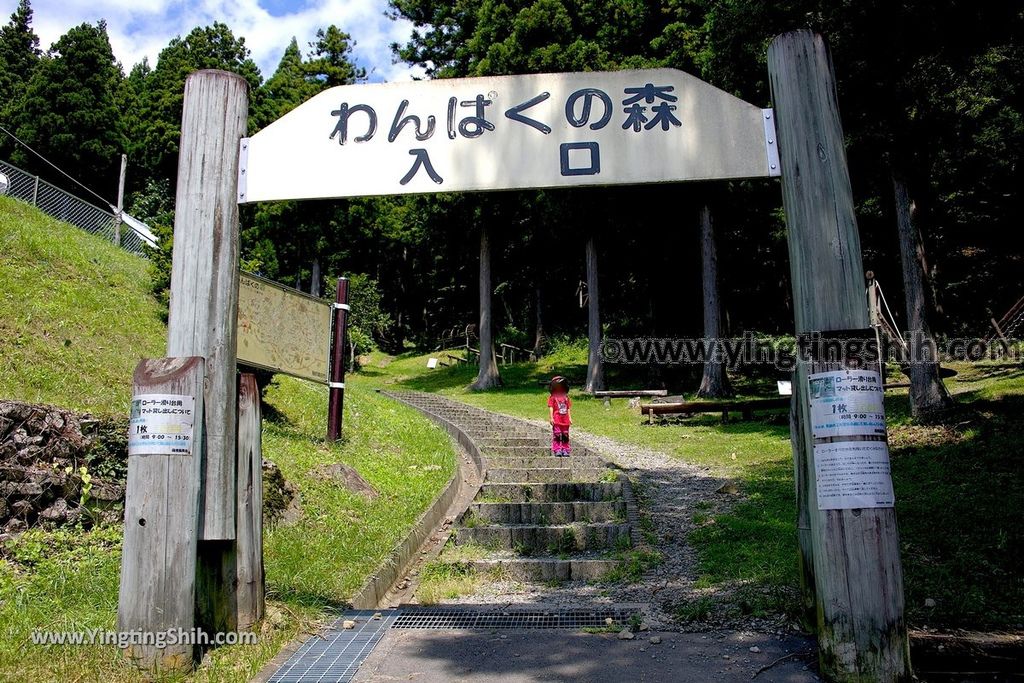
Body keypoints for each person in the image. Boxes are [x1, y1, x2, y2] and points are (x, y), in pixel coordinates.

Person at [547, 376, 572, 457]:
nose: (559, 387)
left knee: (565, 435)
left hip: (565, 420)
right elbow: (551, 407)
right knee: (557, 434)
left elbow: (568, 408)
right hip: (557, 419)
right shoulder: (553, 397)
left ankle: (565, 450)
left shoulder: (566, 397)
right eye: (557, 385)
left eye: (561, 385)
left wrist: (570, 418)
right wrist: (551, 417)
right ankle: (557, 449)